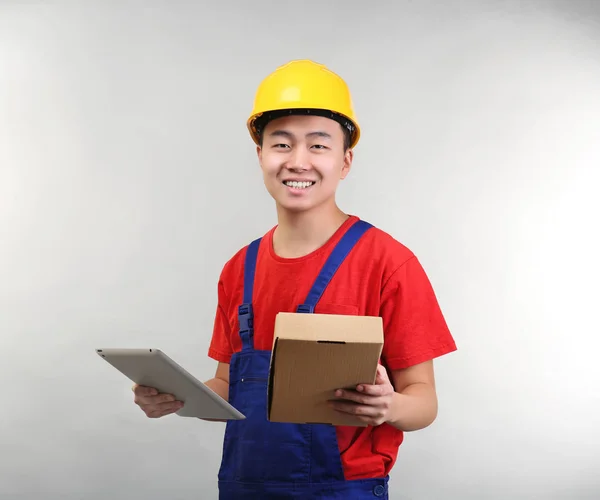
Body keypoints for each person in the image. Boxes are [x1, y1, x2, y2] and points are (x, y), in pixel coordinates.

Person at [132, 59, 457, 499]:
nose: (298, 161)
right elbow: (228, 386)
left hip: (343, 491)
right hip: (244, 487)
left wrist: (390, 405)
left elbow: (425, 402)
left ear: (345, 160)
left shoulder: (387, 262)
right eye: (281, 144)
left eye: (318, 146)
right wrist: (176, 397)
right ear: (261, 155)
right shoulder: (238, 270)